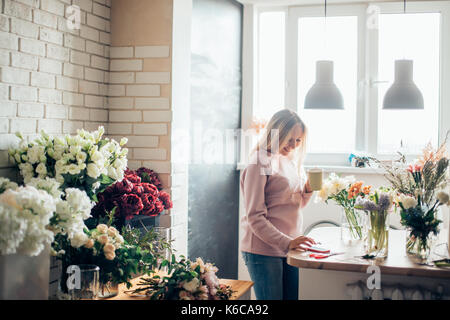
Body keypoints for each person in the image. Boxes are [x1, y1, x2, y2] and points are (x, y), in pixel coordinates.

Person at [240, 109, 316, 300]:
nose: (293, 145)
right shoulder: (260, 161)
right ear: (276, 133)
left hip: (288, 246)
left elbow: (294, 206)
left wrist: (307, 190)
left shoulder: (288, 161)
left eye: (298, 141)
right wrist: (287, 242)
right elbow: (255, 217)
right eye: (289, 138)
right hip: (263, 249)